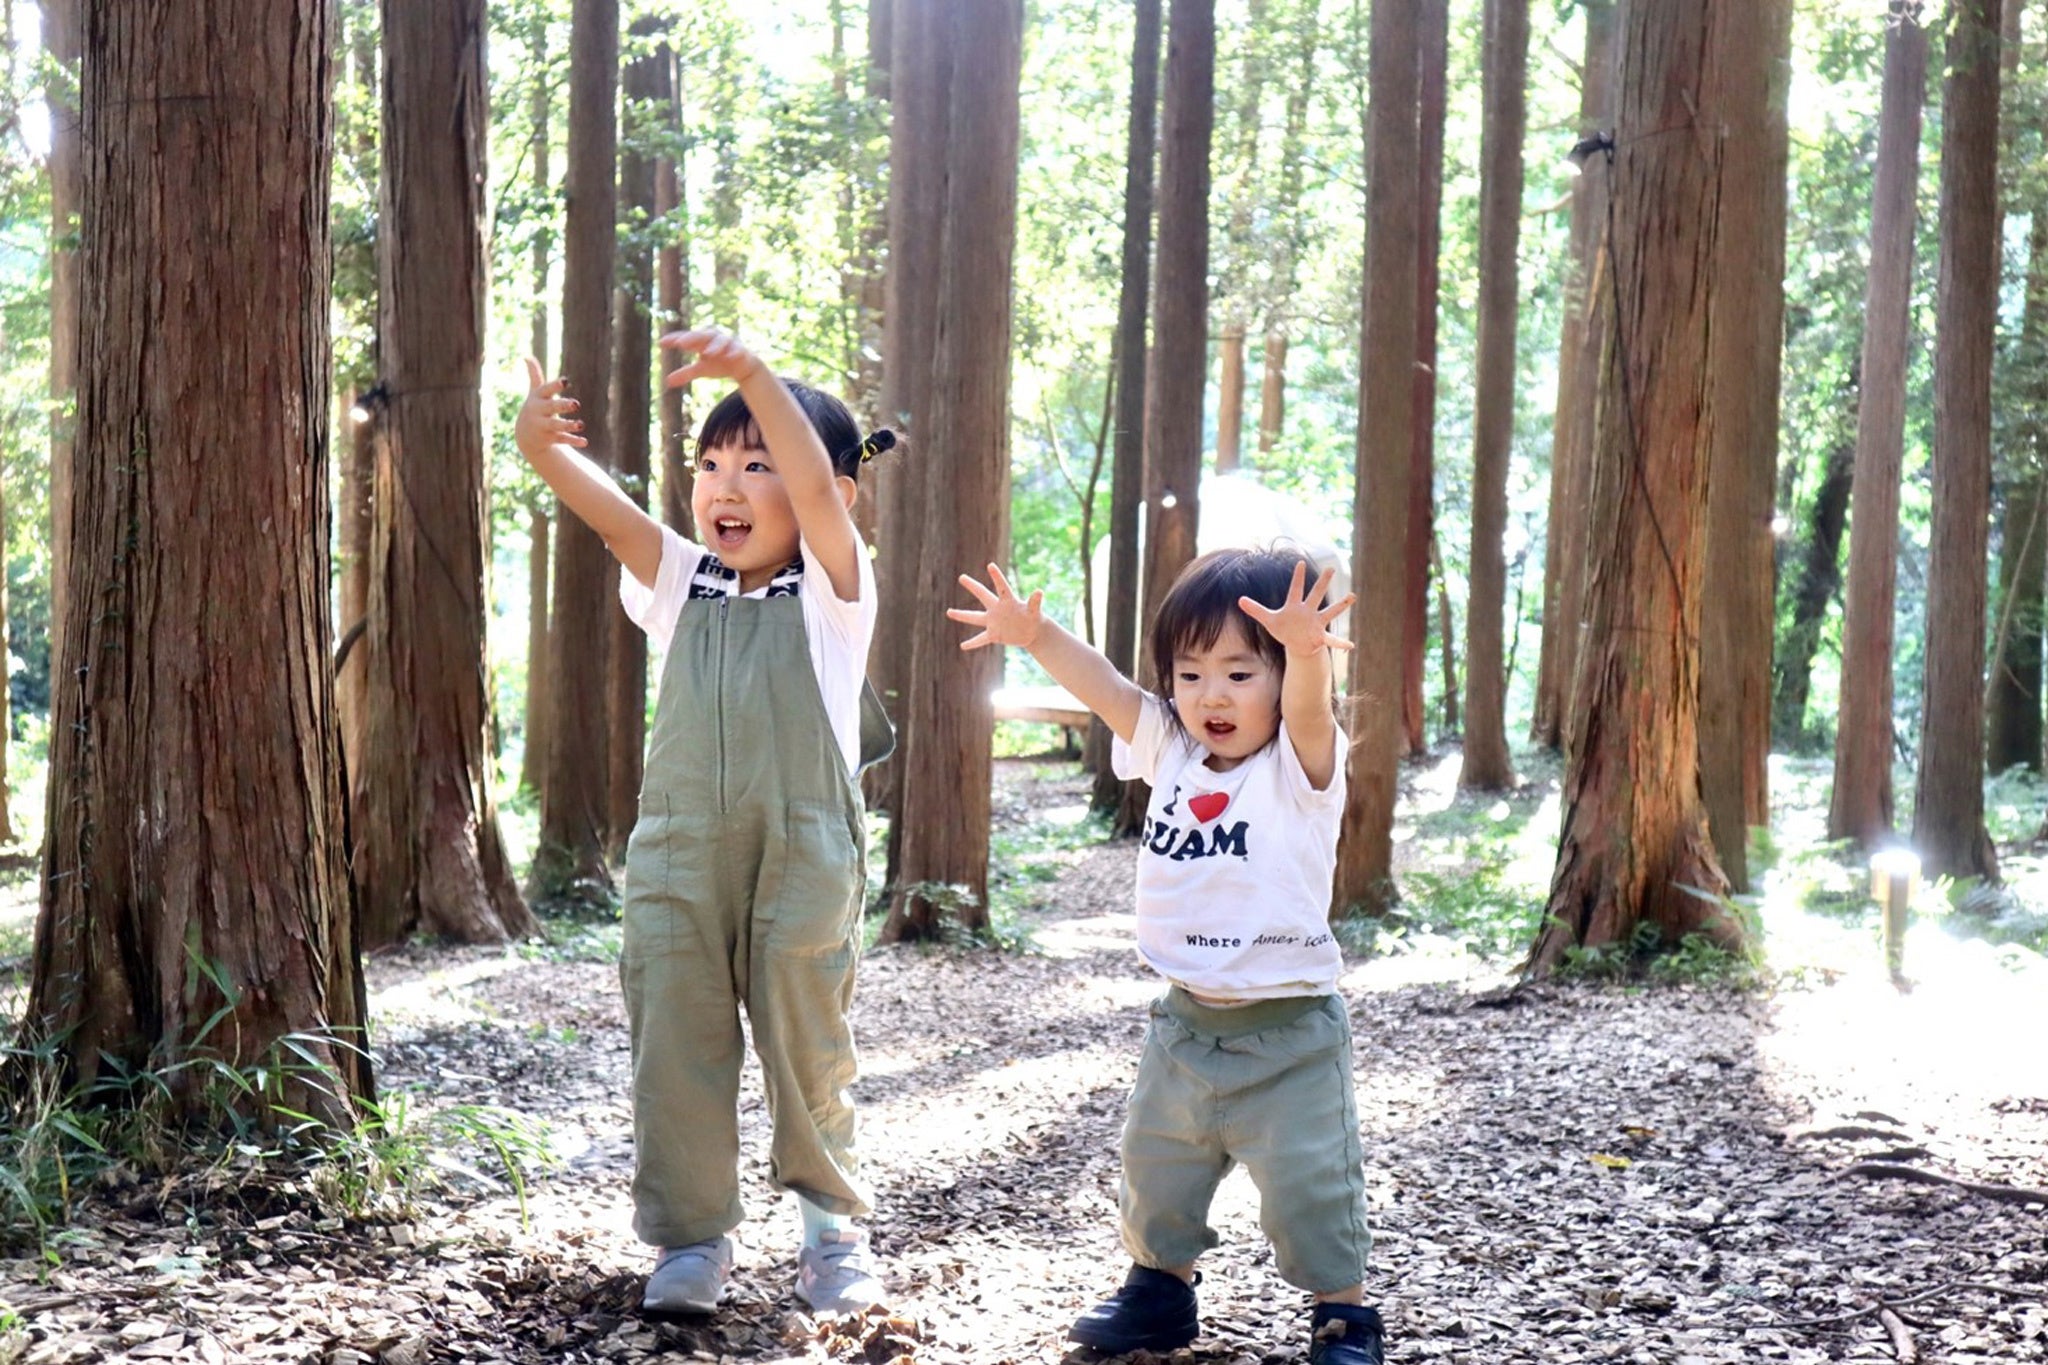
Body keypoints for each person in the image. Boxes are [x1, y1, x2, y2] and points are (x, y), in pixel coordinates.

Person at [514, 329, 897, 1317]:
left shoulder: (833, 598)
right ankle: (691, 1238)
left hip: (802, 850)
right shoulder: (678, 581)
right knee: (672, 1040)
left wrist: (759, 376)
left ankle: (829, 1234)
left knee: (804, 1035)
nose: (724, 486)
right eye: (710, 464)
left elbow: (816, 497)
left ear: (830, 494)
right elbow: (609, 519)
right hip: (677, 852)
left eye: (756, 463)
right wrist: (542, 451)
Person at [948, 549, 1387, 1365]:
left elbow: (1313, 712)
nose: (1210, 694)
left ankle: (1343, 1317)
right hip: (1183, 1025)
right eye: (1189, 673)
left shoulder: (1299, 768)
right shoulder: (1173, 753)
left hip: (1290, 1034)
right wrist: (1037, 634)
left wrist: (1307, 653)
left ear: (1281, 677)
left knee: (1310, 1190)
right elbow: (1108, 687)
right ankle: (1159, 1290)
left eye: (1239, 672)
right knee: (1157, 1170)